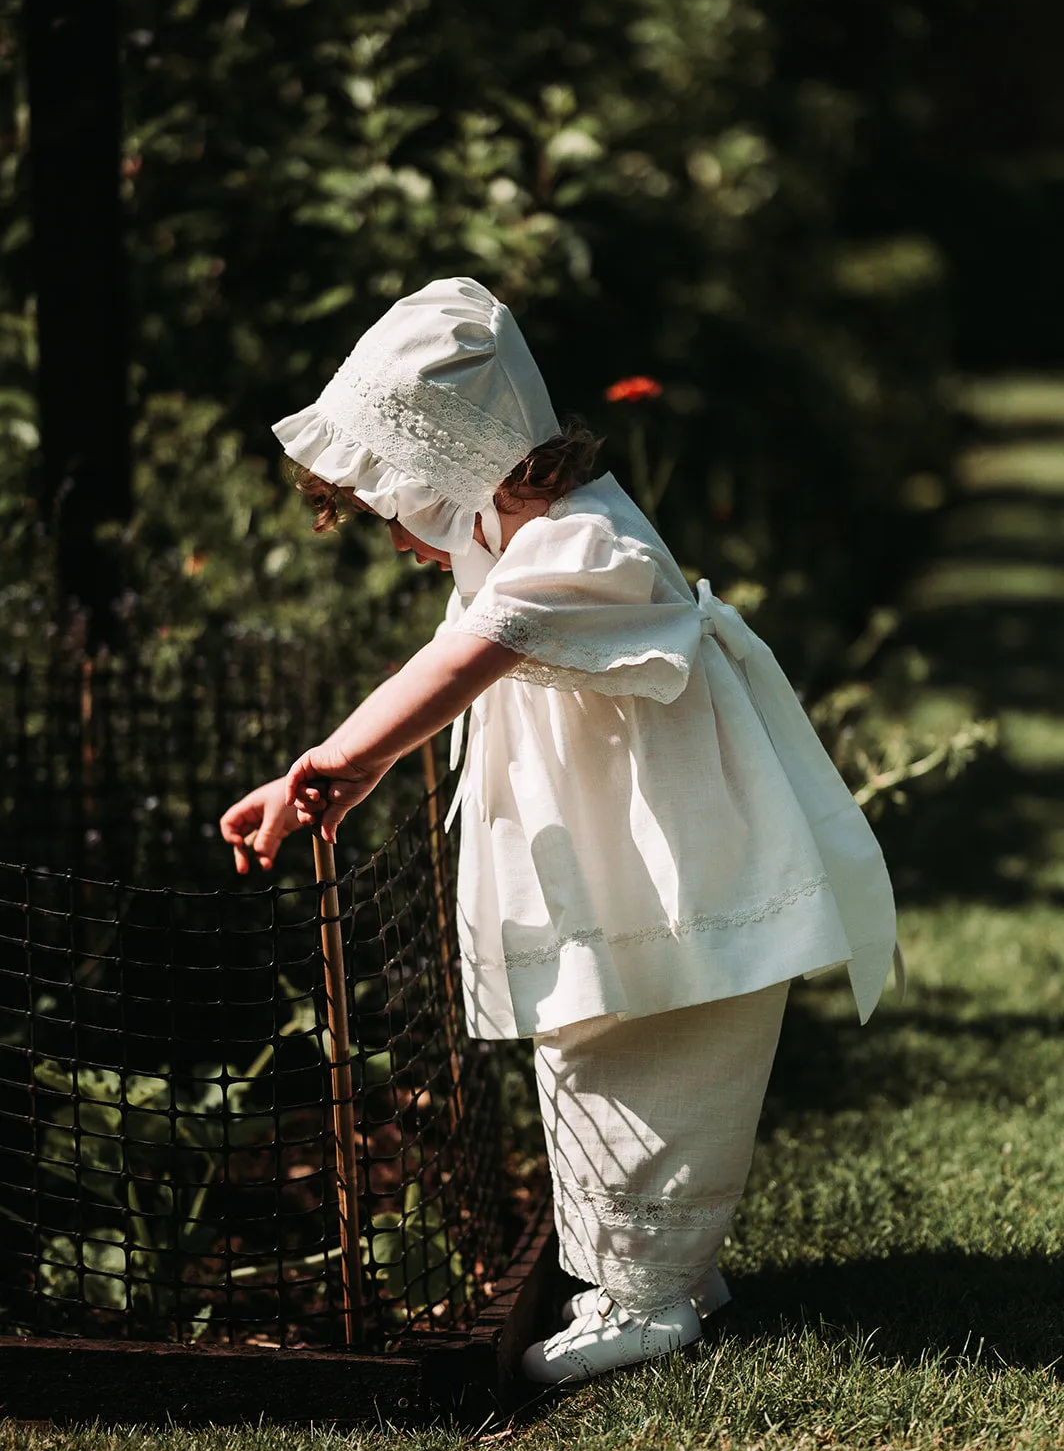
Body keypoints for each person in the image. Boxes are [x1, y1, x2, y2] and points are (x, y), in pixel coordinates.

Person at [220, 276, 900, 1384]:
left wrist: (337, 759)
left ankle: (642, 1297)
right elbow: (458, 660)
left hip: (666, 869)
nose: (393, 531)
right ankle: (658, 1271)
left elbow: (458, 662)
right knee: (596, 1041)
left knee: (645, 1046)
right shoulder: (527, 542)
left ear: (451, 459)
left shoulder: (585, 549)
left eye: (394, 495)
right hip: (619, 866)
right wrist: (358, 771)